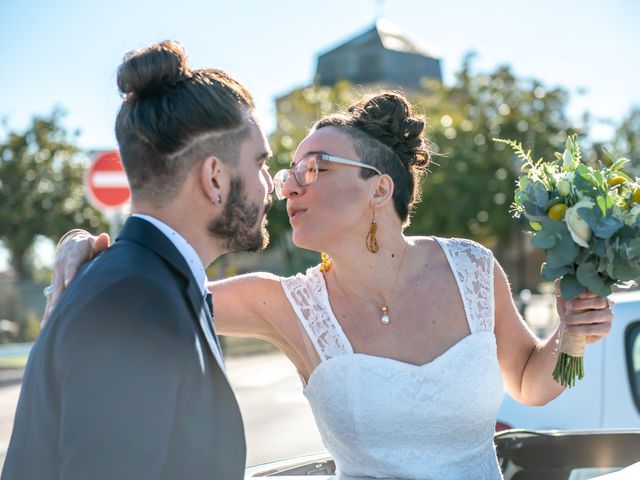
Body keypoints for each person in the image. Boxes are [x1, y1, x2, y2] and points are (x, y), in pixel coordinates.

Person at [46, 92, 614, 479]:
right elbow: (146, 290)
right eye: (289, 172)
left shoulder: (472, 268)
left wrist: (572, 343)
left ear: (378, 188)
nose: (289, 186)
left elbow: (531, 385)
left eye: (314, 167)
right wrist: (84, 246)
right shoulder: (281, 303)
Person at [2, 40, 274, 480]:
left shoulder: (150, 281)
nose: (270, 185)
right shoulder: (134, 301)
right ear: (215, 178)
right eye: (261, 162)